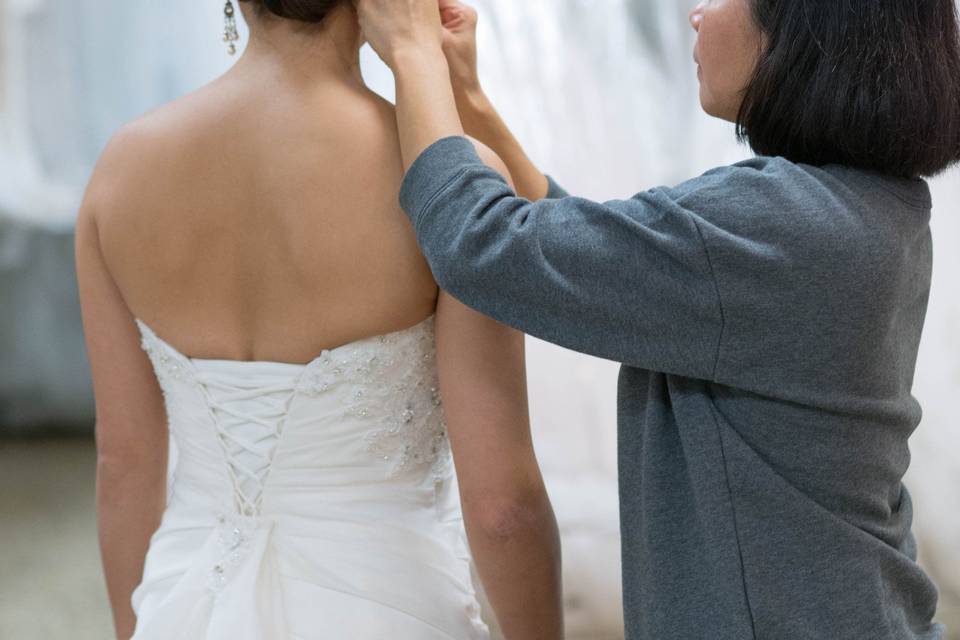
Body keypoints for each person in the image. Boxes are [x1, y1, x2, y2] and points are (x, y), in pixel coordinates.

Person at [355, 0, 960, 638]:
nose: (696, 14)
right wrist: (466, 96)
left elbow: (480, 246)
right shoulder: (867, 207)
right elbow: (606, 253)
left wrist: (412, 56)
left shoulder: (776, 222)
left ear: (806, 25)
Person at [74, 1, 564, 638]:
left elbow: (124, 462)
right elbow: (503, 509)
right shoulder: (449, 189)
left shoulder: (119, 170)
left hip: (186, 604)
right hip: (389, 605)